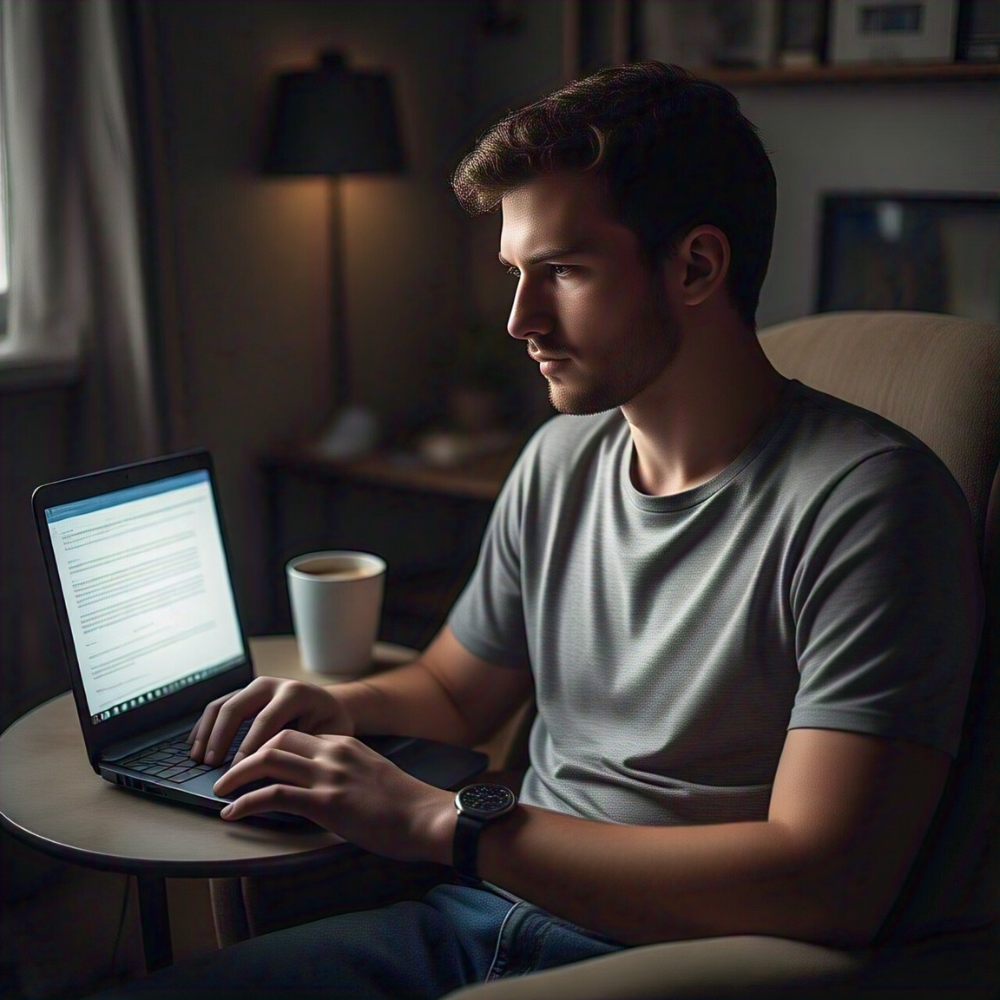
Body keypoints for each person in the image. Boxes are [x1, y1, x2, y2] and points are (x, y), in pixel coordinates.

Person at [99, 61, 983, 998]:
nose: (520, 320)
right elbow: (452, 691)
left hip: (671, 965)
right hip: (472, 920)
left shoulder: (871, 506)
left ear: (696, 266)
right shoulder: (560, 459)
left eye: (561, 272)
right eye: (517, 274)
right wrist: (344, 709)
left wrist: (450, 825)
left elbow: (825, 882)